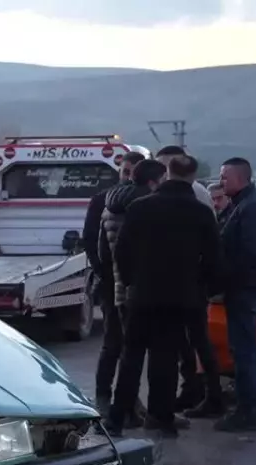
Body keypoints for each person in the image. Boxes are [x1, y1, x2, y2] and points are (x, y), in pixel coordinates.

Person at [105, 154, 221, 438]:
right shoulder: (201, 213)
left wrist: (133, 281)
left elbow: (122, 251)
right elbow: (214, 259)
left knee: (131, 356)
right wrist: (200, 288)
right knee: (166, 358)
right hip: (181, 296)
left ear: (167, 173)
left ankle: (117, 418)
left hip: (143, 294)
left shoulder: (140, 207)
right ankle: (162, 418)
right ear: (193, 178)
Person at [101, 158, 168, 430]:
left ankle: (123, 412)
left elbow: (105, 251)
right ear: (153, 182)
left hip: (120, 287)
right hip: (145, 289)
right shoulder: (146, 208)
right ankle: (146, 413)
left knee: (128, 354)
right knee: (154, 355)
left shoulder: (110, 206)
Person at [155, 145, 220, 411]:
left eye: (164, 166)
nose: (162, 172)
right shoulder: (196, 200)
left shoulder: (196, 196)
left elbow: (209, 244)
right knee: (187, 342)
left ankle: (202, 391)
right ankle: (194, 389)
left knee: (192, 341)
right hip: (190, 285)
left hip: (183, 284)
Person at [82, 148, 146, 417]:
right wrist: (103, 272)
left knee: (133, 345)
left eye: (133, 173)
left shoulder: (146, 201)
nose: (127, 177)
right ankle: (103, 396)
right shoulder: (101, 200)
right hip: (111, 282)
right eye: (124, 172)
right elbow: (89, 239)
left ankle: (130, 400)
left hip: (136, 283)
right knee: (113, 341)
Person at [215, 157, 256, 431]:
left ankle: (248, 412)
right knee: (242, 350)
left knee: (244, 352)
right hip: (243, 287)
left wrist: (224, 275)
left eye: (225, 177)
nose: (221, 183)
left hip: (245, 288)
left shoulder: (252, 208)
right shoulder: (243, 204)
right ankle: (246, 408)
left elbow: (252, 252)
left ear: (240, 178)